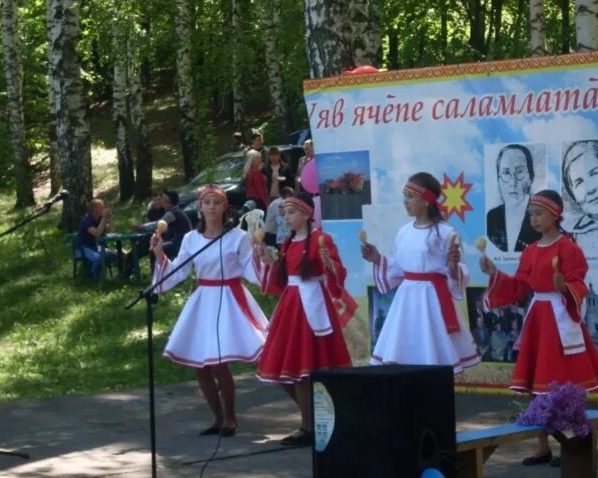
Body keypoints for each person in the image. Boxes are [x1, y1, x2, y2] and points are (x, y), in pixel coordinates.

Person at [479, 189, 598, 466]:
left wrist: (565, 287)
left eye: (539, 213)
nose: (534, 219)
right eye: (531, 214)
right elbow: (519, 285)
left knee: (563, 381)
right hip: (539, 317)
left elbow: (579, 283)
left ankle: (570, 444)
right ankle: (542, 445)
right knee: (538, 385)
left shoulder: (568, 248)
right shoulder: (530, 251)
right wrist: (494, 274)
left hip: (561, 318)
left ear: (555, 215)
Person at [151, 185, 268, 437]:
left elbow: (249, 269)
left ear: (224, 207)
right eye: (207, 203)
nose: (212, 207)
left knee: (219, 363)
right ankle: (216, 417)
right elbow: (179, 270)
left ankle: (230, 418)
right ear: (200, 208)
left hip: (229, 299)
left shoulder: (237, 236)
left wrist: (261, 257)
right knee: (201, 366)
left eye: (217, 203)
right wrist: (160, 254)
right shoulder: (191, 239)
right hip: (203, 300)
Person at [254, 192, 354, 447]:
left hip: (313, 305)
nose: (286, 217)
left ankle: (310, 425)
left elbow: (338, 272)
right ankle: (313, 418)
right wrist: (268, 261)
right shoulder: (288, 243)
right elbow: (282, 279)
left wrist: (329, 264)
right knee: (288, 368)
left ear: (306, 214)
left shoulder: (321, 238)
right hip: (292, 305)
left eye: (291, 212)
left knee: (306, 369)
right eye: (285, 213)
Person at [361, 172, 480, 374]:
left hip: (432, 300)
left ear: (426, 200)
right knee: (404, 353)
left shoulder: (446, 232)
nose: (405, 202)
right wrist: (378, 259)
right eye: (404, 196)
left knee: (432, 353)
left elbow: (459, 272)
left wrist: (452, 266)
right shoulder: (404, 231)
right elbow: (399, 266)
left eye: (410, 196)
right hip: (407, 300)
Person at [487, 144, 542, 252]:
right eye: (506, 173)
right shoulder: (491, 217)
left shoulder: (540, 216)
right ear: (498, 179)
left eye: (519, 172)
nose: (513, 182)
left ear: (530, 177)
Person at [137, 190, 192, 259]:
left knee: (155, 251)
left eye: (165, 201)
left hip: (180, 244)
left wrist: (142, 227)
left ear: (170, 203)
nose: (163, 204)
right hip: (181, 242)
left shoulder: (173, 213)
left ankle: (158, 269)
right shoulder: (176, 211)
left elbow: (158, 224)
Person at [77, 199, 120, 279]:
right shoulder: (88, 220)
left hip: (95, 246)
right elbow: (97, 234)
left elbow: (111, 231)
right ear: (94, 208)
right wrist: (104, 219)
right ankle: (93, 276)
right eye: (101, 207)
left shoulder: (99, 219)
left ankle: (122, 275)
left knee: (115, 255)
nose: (104, 209)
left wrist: (109, 219)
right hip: (84, 248)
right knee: (100, 258)